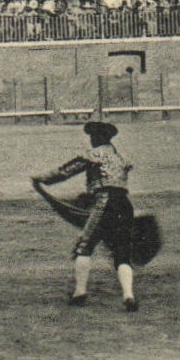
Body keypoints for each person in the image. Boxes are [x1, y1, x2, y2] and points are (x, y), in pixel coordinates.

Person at [32, 120, 140, 312]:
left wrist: (42, 179)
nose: (90, 140)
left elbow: (65, 171)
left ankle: (80, 292)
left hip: (104, 202)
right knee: (122, 250)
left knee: (85, 245)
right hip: (125, 204)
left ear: (97, 137)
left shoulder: (94, 154)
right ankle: (128, 295)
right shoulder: (122, 157)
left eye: (92, 137)